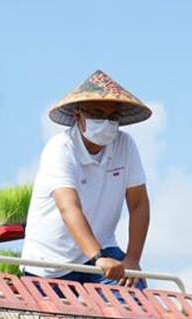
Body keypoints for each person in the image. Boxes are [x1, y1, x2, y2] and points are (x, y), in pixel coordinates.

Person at [21, 70, 151, 287]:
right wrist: (97, 257)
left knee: (133, 289)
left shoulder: (125, 145)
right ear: (78, 116)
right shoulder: (60, 149)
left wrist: (133, 260)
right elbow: (69, 207)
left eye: (113, 117)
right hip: (51, 261)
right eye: (97, 114)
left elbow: (138, 204)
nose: (106, 122)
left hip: (103, 247)